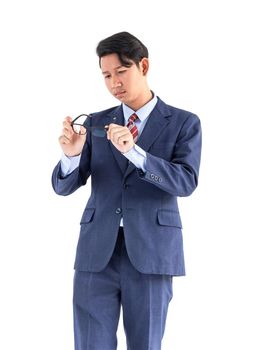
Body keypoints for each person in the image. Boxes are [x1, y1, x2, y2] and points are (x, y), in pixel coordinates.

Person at [52, 31, 202, 350]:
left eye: (121, 72)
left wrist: (136, 153)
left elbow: (186, 181)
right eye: (106, 75)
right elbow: (64, 187)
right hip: (96, 253)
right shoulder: (96, 123)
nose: (113, 82)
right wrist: (72, 155)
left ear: (143, 65)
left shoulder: (184, 122)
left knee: (145, 344)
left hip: (152, 252)